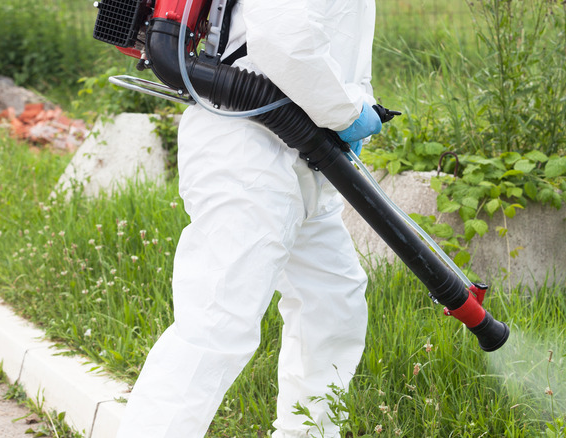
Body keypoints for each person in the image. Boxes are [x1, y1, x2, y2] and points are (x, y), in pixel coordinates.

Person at [116, 0, 381, 436]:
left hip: (303, 145)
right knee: (218, 324)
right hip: (249, 145)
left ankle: (308, 432)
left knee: (332, 301)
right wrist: (349, 112)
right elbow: (285, 38)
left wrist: (349, 107)